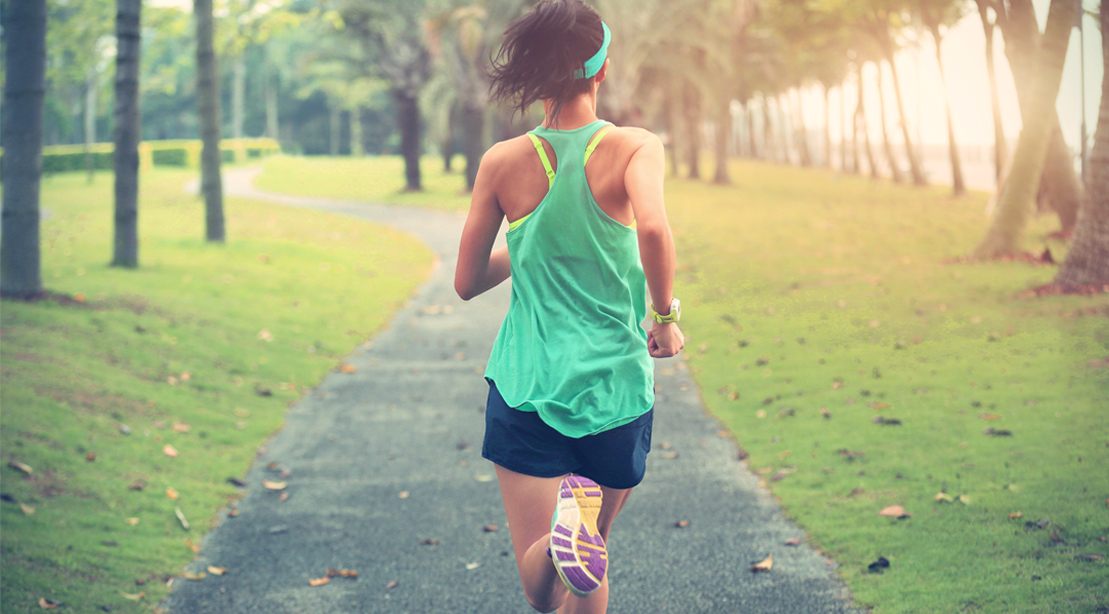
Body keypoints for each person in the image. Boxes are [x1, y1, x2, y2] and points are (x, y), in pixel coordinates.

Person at [454, 1, 683, 612]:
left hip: (528, 385)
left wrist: (526, 245)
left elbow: (467, 280)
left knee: (549, 575)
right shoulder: (634, 147)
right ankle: (570, 540)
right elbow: (655, 231)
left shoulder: (502, 162)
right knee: (593, 552)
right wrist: (664, 318)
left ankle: (559, 545)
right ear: (601, 72)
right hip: (615, 390)